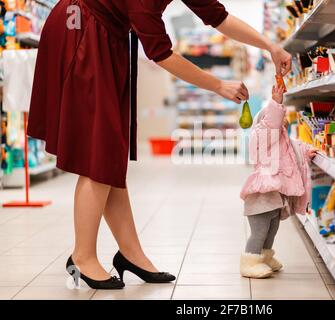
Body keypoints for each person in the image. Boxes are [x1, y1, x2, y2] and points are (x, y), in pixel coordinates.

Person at [27, 0, 293, 289]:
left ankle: (131, 254)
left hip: (103, 34)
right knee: (98, 148)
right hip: (79, 30)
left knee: (109, 152)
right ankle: (82, 256)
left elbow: (219, 17)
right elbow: (161, 53)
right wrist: (218, 85)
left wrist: (270, 46)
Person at [239, 84, 317, 279]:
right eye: (276, 121)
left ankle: (264, 257)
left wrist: (307, 151)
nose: (281, 125)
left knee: (271, 230)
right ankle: (250, 261)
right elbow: (272, 123)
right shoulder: (262, 135)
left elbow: (295, 147)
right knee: (259, 232)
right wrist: (276, 101)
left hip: (274, 199)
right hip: (260, 199)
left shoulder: (280, 140)